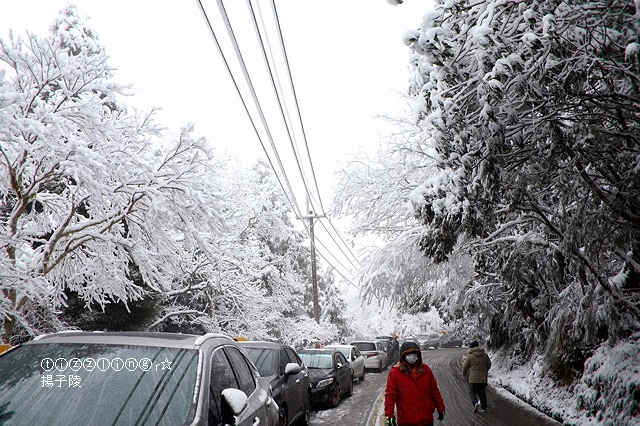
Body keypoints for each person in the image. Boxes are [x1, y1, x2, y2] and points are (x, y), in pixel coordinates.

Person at [384, 341, 446, 425]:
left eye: (414, 354)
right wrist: (389, 415)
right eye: (409, 354)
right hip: (406, 421)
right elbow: (390, 396)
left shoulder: (426, 370)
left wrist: (440, 408)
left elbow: (434, 391)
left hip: (426, 420)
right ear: (403, 356)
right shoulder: (395, 373)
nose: (412, 357)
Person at [462, 340, 492, 413]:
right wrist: (484, 371)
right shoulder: (485, 355)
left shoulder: (469, 356)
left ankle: (475, 403)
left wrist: (464, 373)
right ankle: (484, 408)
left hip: (473, 379)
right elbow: (489, 365)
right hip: (482, 379)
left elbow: (465, 367)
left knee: (472, 392)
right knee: (482, 393)